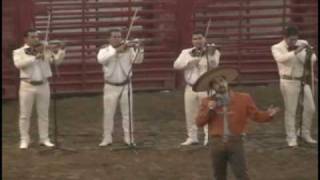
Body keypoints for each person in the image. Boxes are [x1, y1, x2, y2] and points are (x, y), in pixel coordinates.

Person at [195, 67, 280, 180]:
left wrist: (268, 114)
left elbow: (256, 115)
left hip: (236, 142)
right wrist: (209, 110)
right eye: (215, 83)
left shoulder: (243, 98)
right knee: (219, 176)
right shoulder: (207, 102)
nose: (220, 84)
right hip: (216, 143)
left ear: (226, 82)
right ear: (212, 87)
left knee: (242, 175)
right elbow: (199, 123)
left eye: (221, 81)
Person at [13, 29, 66, 149]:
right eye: (32, 37)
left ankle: (44, 138)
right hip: (27, 85)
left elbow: (56, 62)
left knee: (43, 113)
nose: (36, 39)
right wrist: (36, 56)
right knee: (25, 115)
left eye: (37, 37)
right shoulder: (19, 52)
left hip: (43, 84)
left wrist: (61, 50)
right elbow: (19, 64)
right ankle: (24, 139)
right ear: (25, 39)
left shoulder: (45, 50)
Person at [271, 24, 317, 147]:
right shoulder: (276, 47)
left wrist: (304, 52)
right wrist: (295, 51)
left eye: (295, 38)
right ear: (285, 37)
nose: (294, 41)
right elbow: (281, 59)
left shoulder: (303, 43)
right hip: (288, 82)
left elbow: (313, 59)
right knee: (291, 110)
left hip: (302, 80)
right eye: (291, 39)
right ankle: (291, 138)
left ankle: (304, 133)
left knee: (310, 108)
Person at [97, 28, 144, 146]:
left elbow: (137, 61)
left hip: (126, 85)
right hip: (110, 85)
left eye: (119, 36)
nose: (117, 38)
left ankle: (129, 138)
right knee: (108, 113)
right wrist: (117, 50)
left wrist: (139, 48)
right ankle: (107, 138)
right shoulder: (104, 50)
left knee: (127, 113)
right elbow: (101, 60)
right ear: (109, 38)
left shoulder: (128, 49)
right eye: (114, 36)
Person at [173, 30, 220, 146]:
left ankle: (208, 137)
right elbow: (176, 65)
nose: (197, 41)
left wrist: (210, 54)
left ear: (205, 39)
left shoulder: (213, 52)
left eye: (200, 38)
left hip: (206, 87)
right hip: (191, 87)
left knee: (208, 112)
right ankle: (192, 137)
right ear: (192, 40)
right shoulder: (186, 52)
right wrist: (190, 62)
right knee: (190, 112)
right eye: (195, 39)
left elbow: (215, 65)